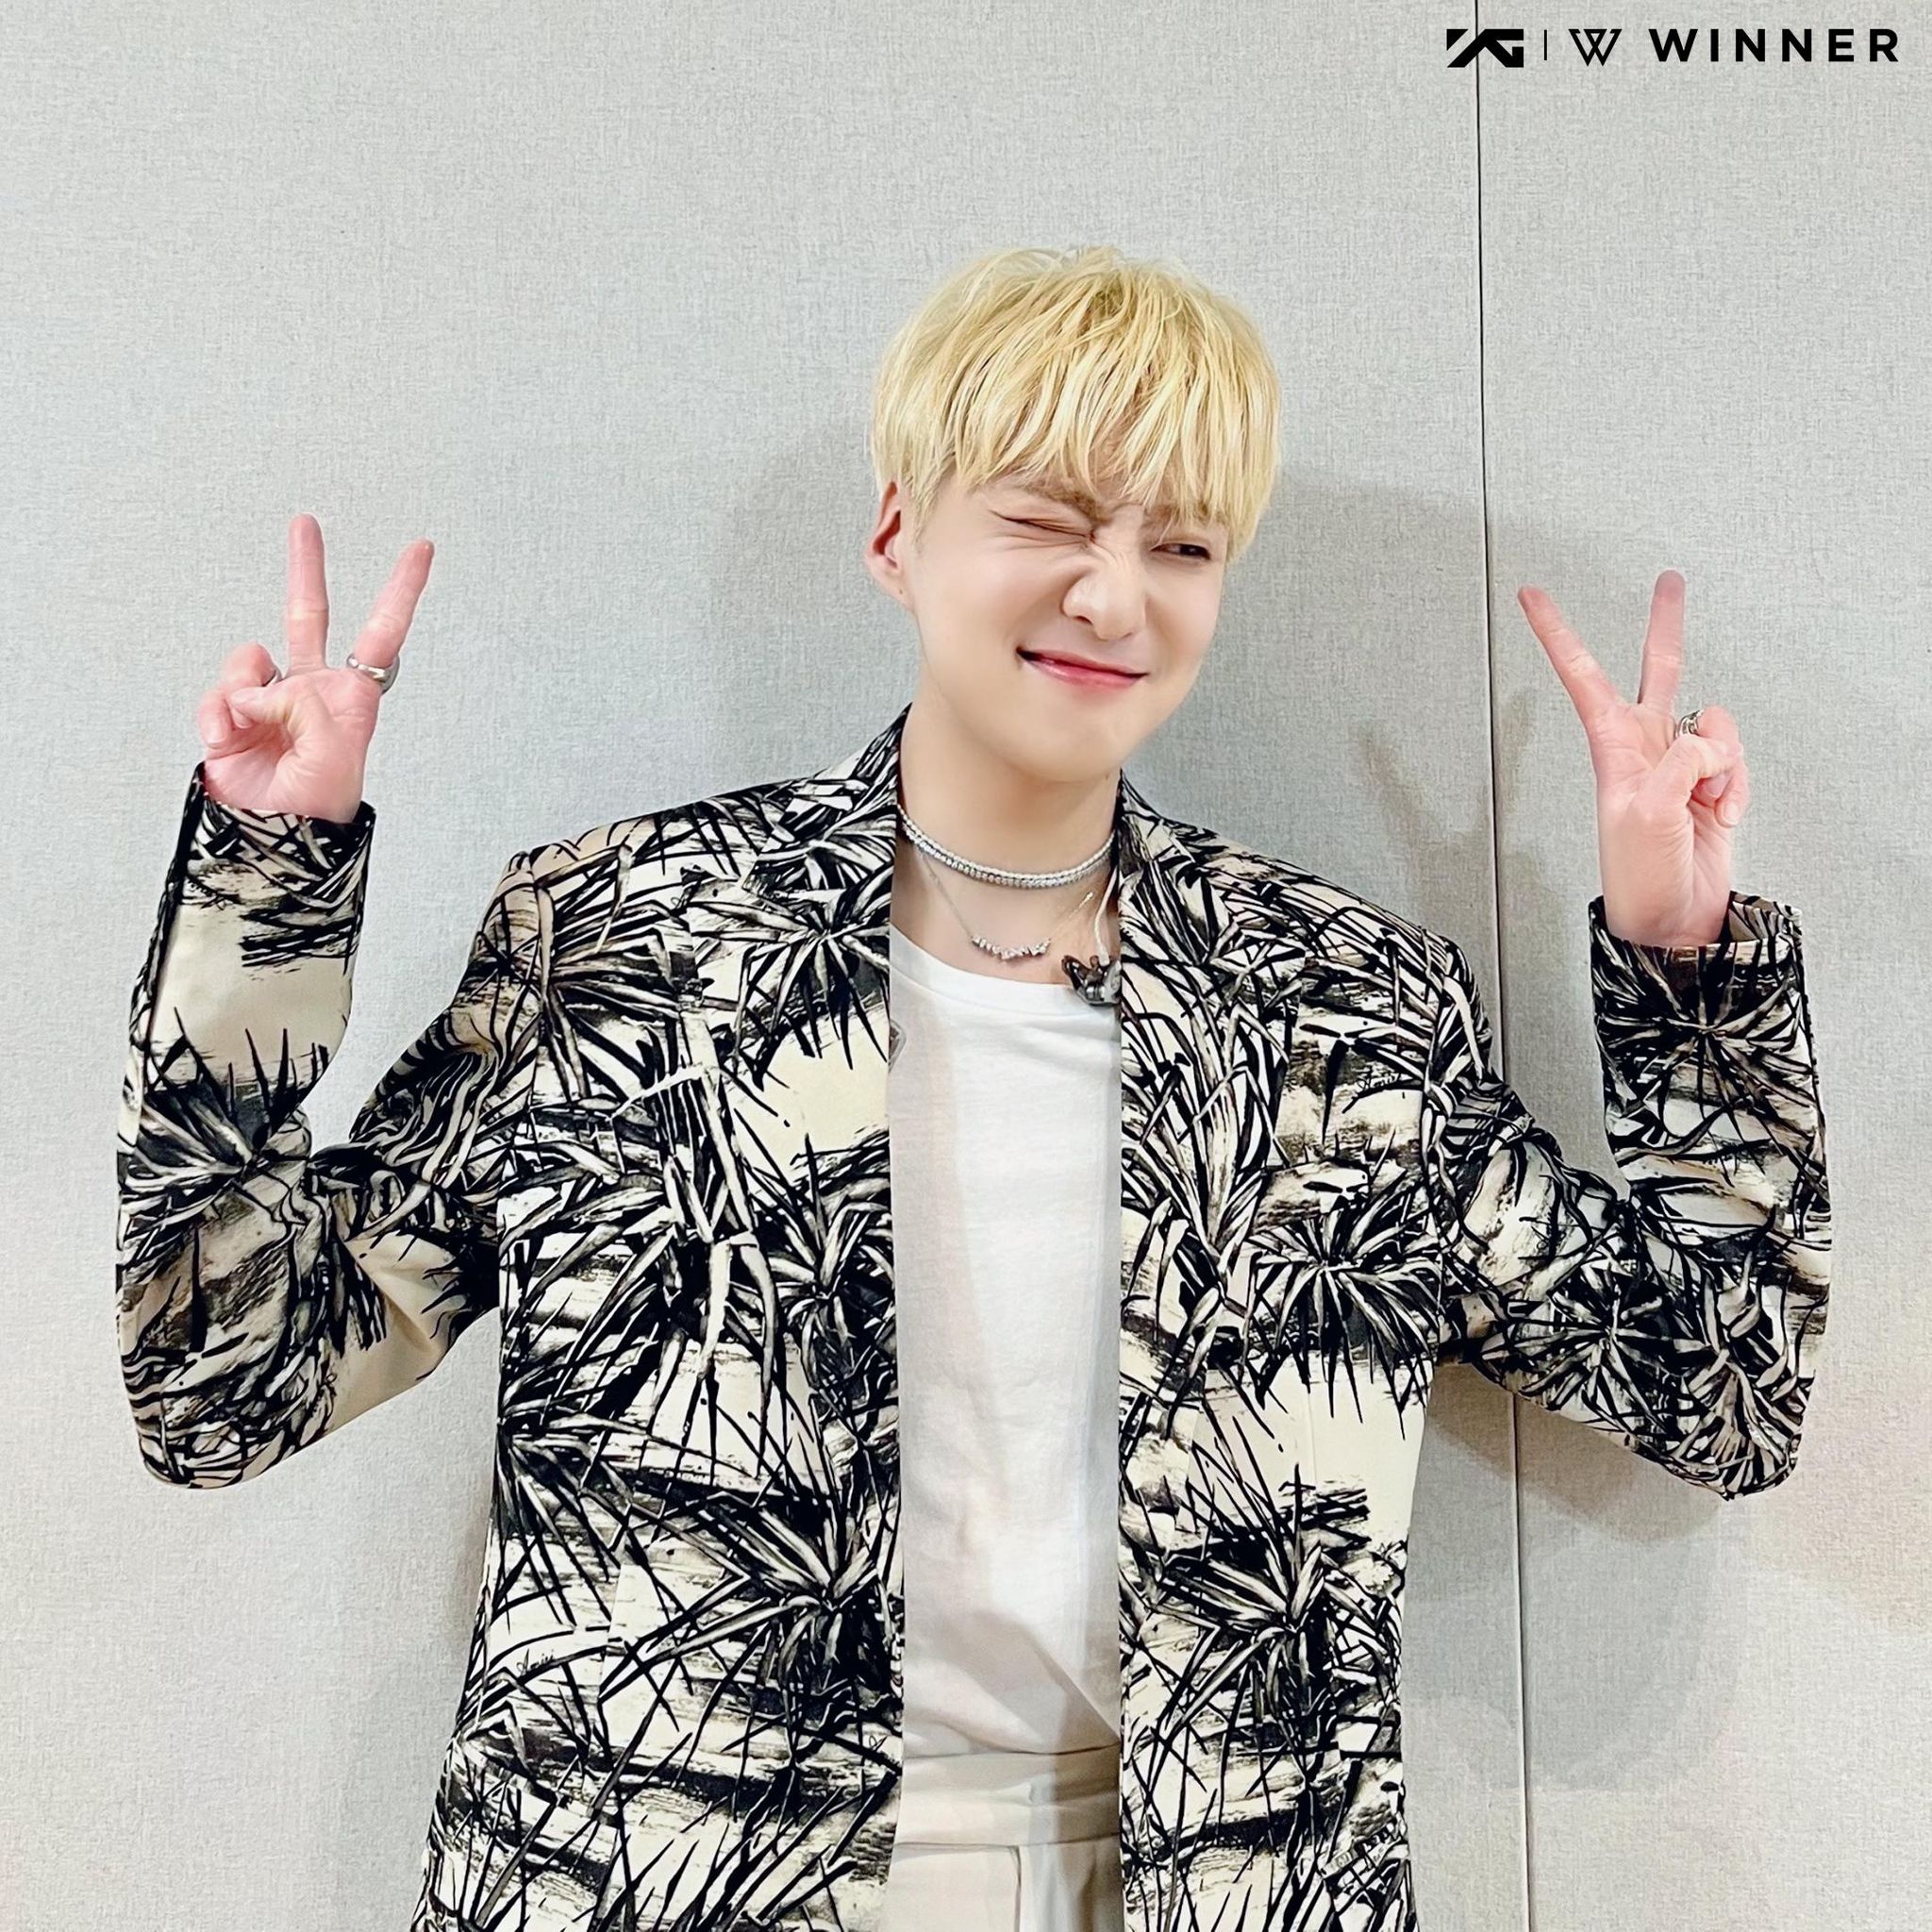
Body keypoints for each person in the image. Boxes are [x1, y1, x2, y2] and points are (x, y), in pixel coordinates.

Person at [115, 245, 1831, 1932]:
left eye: (1181, 545)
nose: (1114, 596)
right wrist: (269, 880)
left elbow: (1725, 1392)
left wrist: (1682, 957)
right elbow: (220, 1380)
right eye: (1047, 520)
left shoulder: (1343, 1005)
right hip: (671, 1884)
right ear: (897, 535)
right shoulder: (636, 939)